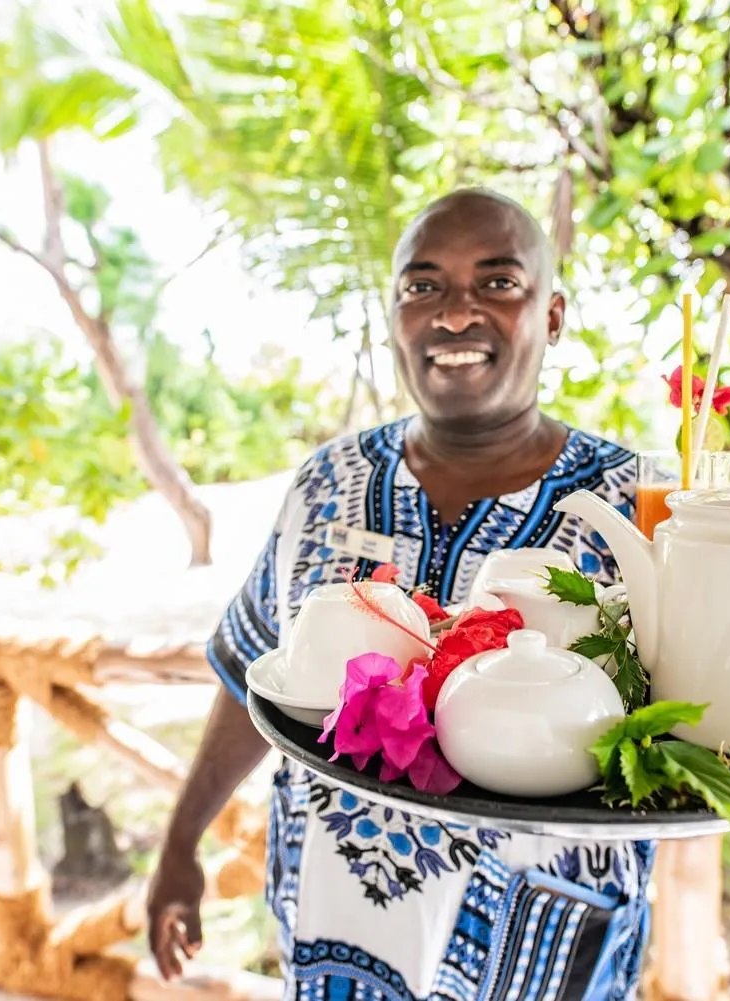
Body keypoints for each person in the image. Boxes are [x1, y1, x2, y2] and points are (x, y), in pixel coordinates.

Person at [146, 188, 655, 1001]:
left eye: (497, 283)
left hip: (541, 948)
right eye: (423, 288)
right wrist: (180, 841)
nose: (455, 314)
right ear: (393, 320)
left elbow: (703, 716)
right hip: (335, 929)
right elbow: (255, 669)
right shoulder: (327, 483)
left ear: (552, 315)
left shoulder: (638, 502)